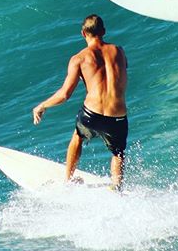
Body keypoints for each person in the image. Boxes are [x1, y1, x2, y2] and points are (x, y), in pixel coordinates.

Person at [32, 15, 129, 189]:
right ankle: (117, 187)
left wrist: (42, 106)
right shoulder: (120, 51)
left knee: (77, 138)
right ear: (104, 32)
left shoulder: (79, 58)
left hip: (92, 114)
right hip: (118, 116)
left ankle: (68, 181)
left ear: (83, 33)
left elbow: (64, 94)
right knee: (118, 153)